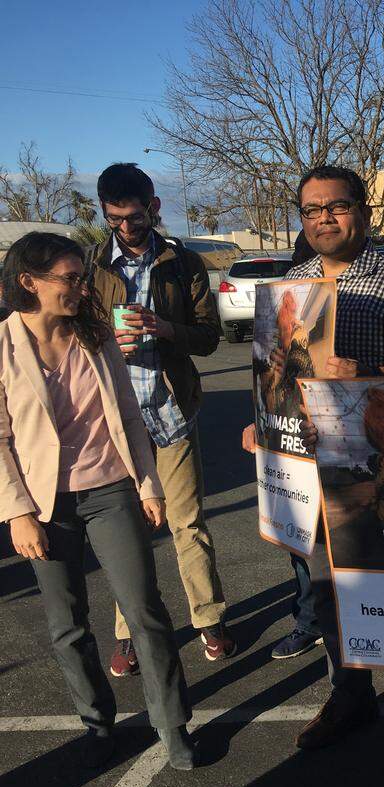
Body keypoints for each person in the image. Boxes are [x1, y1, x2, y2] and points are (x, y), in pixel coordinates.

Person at [240, 165, 384, 754]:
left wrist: (367, 375)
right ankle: (350, 695)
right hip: (311, 460)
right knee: (326, 587)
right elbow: (277, 370)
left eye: (337, 206)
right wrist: (264, 420)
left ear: (363, 212)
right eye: (312, 209)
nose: (324, 217)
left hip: (383, 457)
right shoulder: (290, 284)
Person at [0, 232, 195, 770]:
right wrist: (18, 513)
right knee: (67, 623)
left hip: (111, 489)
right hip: (44, 504)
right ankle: (97, 721)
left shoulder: (96, 335)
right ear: (28, 283)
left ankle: (172, 722)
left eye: (82, 277)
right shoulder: (3, 346)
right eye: (69, 279)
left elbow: (130, 416)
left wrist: (149, 485)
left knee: (145, 610)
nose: (81, 288)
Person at [86, 163, 232, 676]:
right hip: (115, 424)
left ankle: (208, 619)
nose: (127, 229)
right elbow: (72, 341)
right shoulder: (91, 267)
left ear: (155, 207)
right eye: (115, 220)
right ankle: (130, 631)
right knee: (128, 535)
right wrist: (105, 341)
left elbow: (209, 337)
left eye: (136, 218)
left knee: (186, 524)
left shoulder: (184, 263)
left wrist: (165, 327)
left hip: (172, 413)